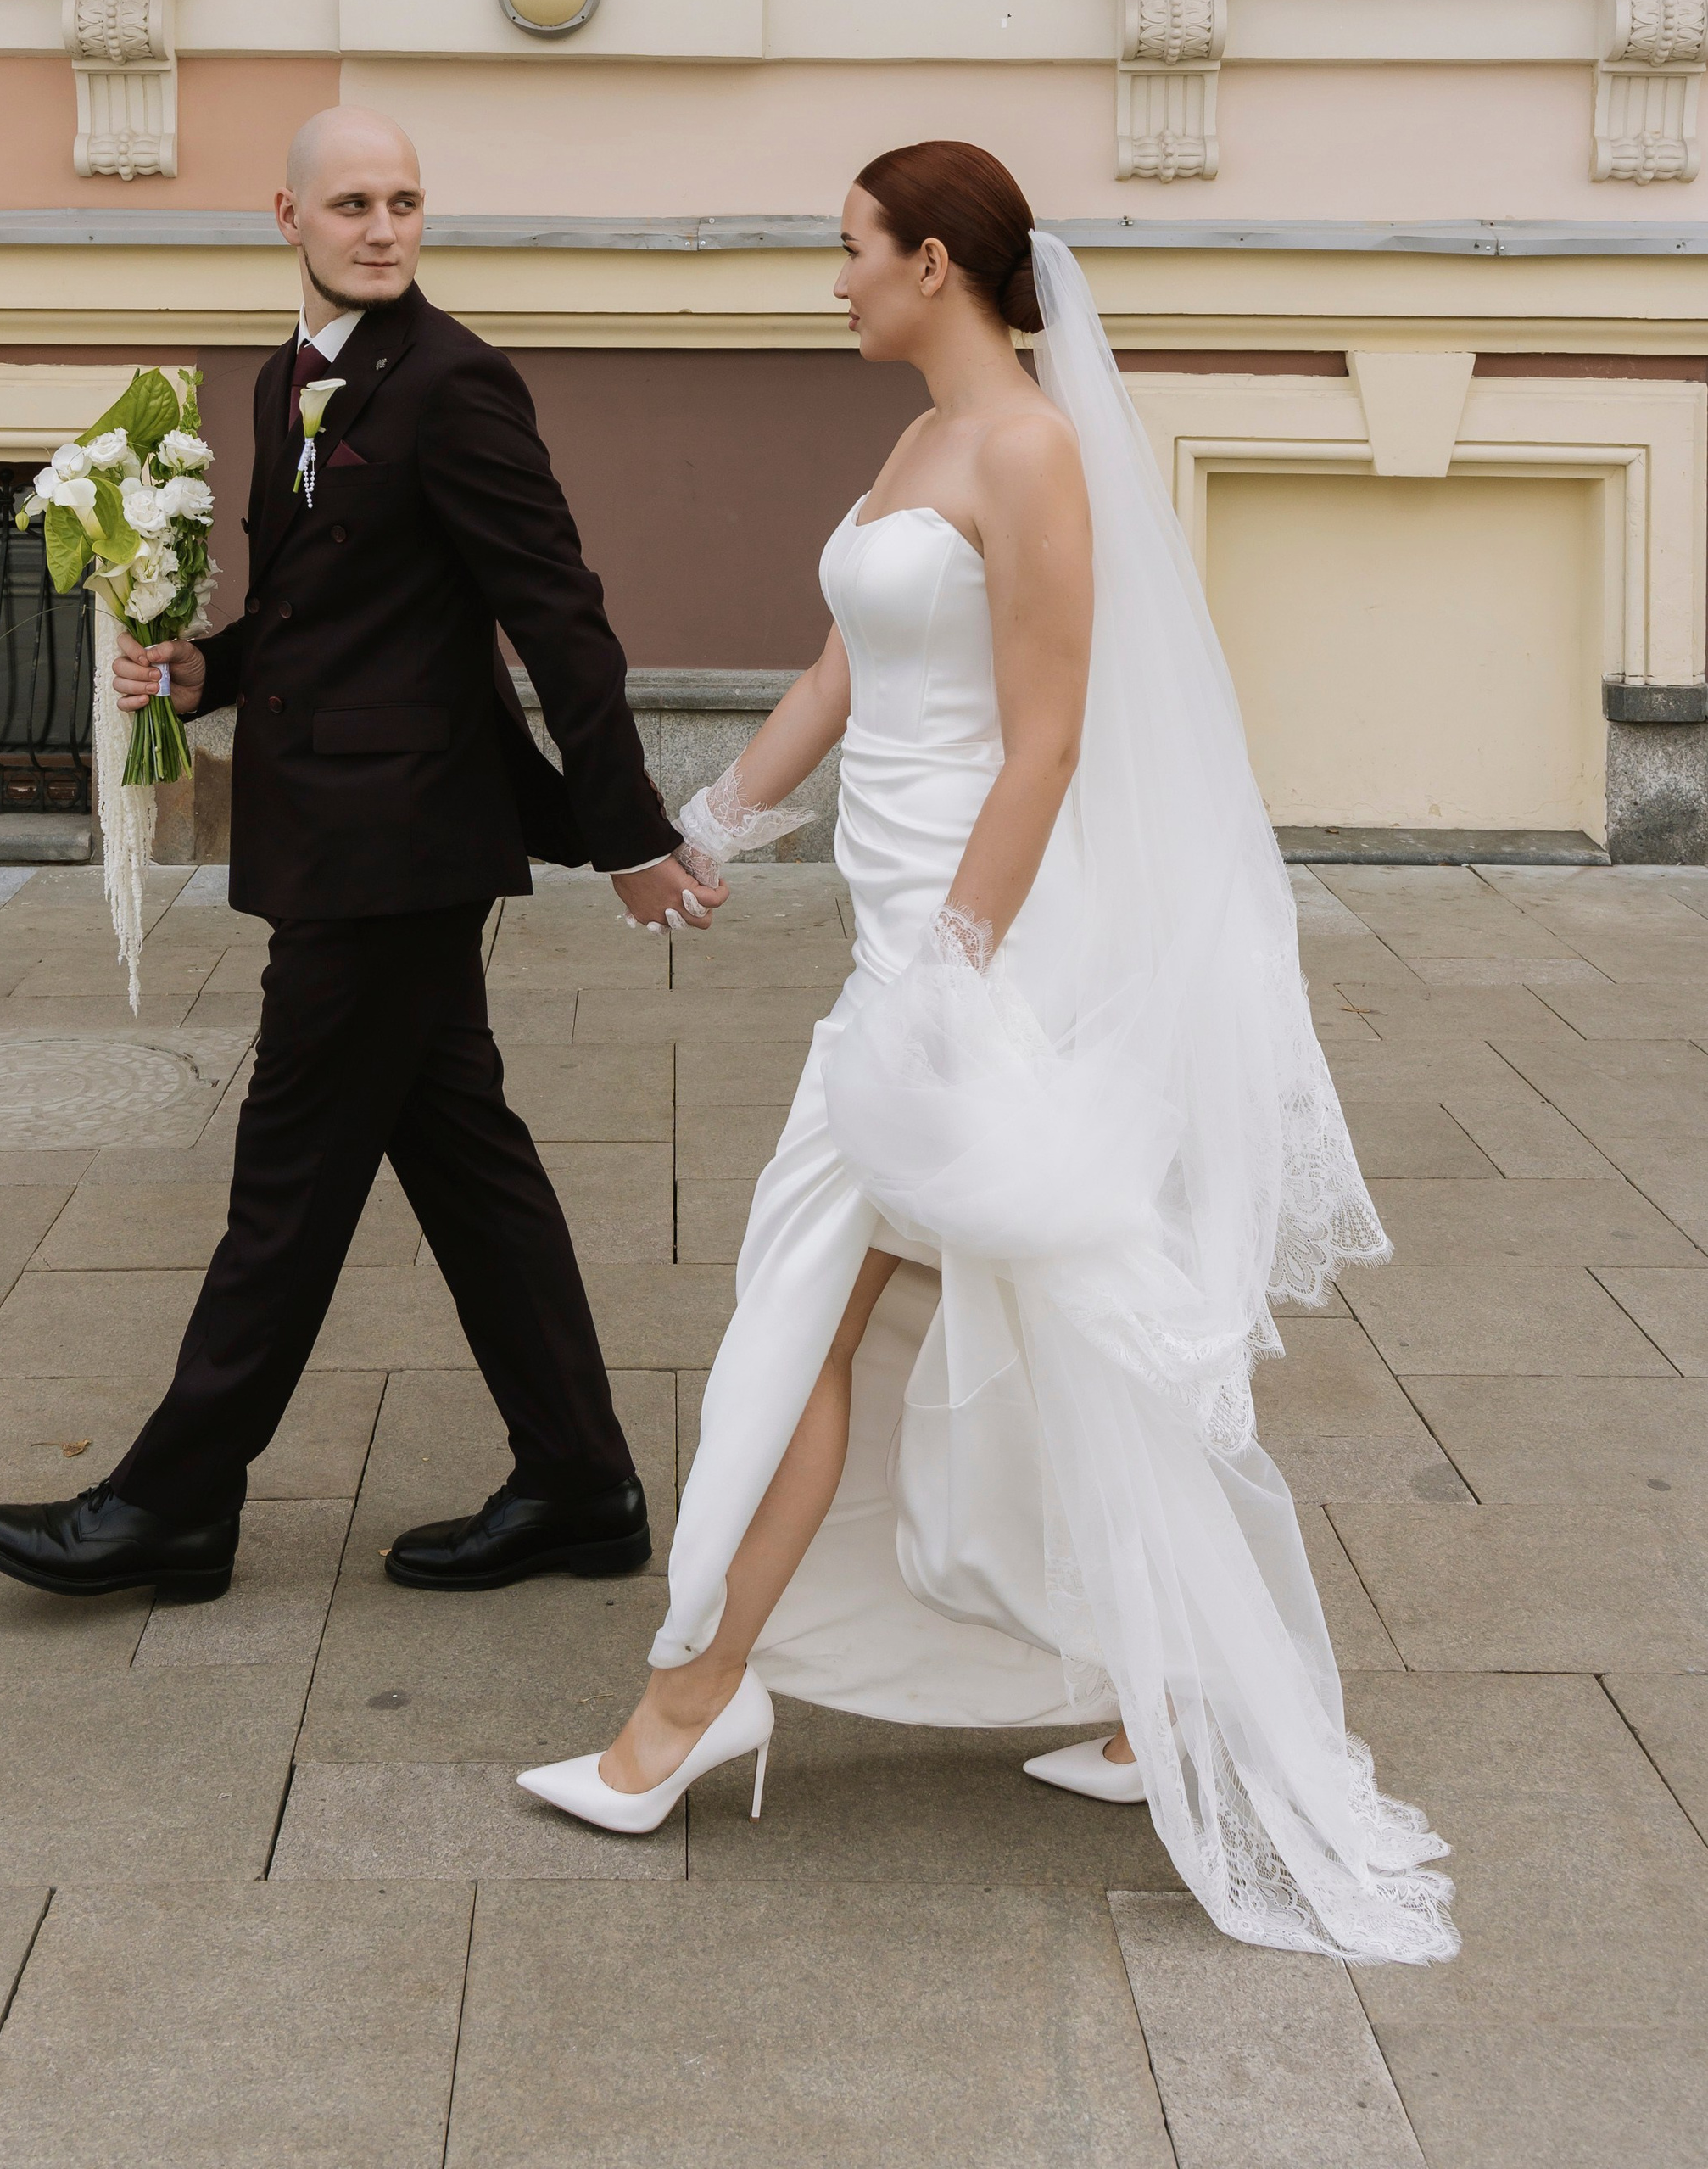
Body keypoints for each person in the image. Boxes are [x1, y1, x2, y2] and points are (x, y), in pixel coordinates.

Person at [516, 139, 1458, 1965]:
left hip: (974, 962)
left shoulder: (1029, 453)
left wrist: (945, 970)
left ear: (935, 263)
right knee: (1051, 1332)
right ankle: (1152, 1692)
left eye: (851, 251)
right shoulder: (919, 440)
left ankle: (689, 1705)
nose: (834, 280)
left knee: (809, 1304)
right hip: (899, 936)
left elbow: (1040, 744)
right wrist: (706, 827)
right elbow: (842, 669)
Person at [0, 104, 725, 1608]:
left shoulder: (457, 385)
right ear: (288, 217)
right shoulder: (283, 381)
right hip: (337, 827)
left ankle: (173, 1504)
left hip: (399, 850)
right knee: (467, 1167)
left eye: (408, 203)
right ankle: (581, 1481)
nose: (385, 228)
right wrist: (207, 672)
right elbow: (329, 604)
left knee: (289, 1177)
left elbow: (558, 617)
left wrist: (627, 832)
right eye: (355, 204)